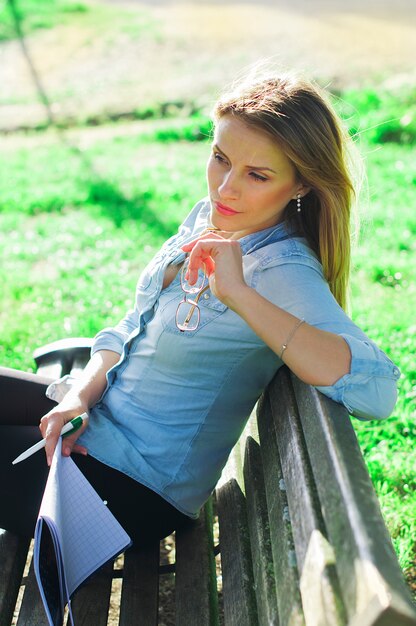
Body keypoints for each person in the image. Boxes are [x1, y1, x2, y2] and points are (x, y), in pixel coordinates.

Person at [0, 71, 401, 545]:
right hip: (99, 419)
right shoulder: (209, 217)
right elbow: (132, 326)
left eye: (257, 175)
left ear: (300, 186)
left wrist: (239, 294)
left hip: (128, 490)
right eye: (220, 158)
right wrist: (79, 395)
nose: (226, 187)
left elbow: (377, 391)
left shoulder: (282, 271)